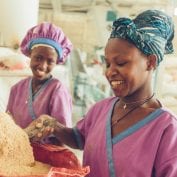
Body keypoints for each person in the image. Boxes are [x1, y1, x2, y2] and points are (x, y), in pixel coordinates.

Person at [25, 10, 177, 177]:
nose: (110, 72)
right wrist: (53, 125)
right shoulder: (101, 109)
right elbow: (79, 138)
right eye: (108, 63)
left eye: (120, 63)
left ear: (150, 62)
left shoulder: (166, 129)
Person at [6, 22, 73, 145]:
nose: (42, 66)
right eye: (38, 58)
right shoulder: (17, 89)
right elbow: (7, 125)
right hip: (18, 151)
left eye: (50, 61)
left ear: (56, 62)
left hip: (47, 157)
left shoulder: (57, 90)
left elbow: (63, 136)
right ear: (30, 55)